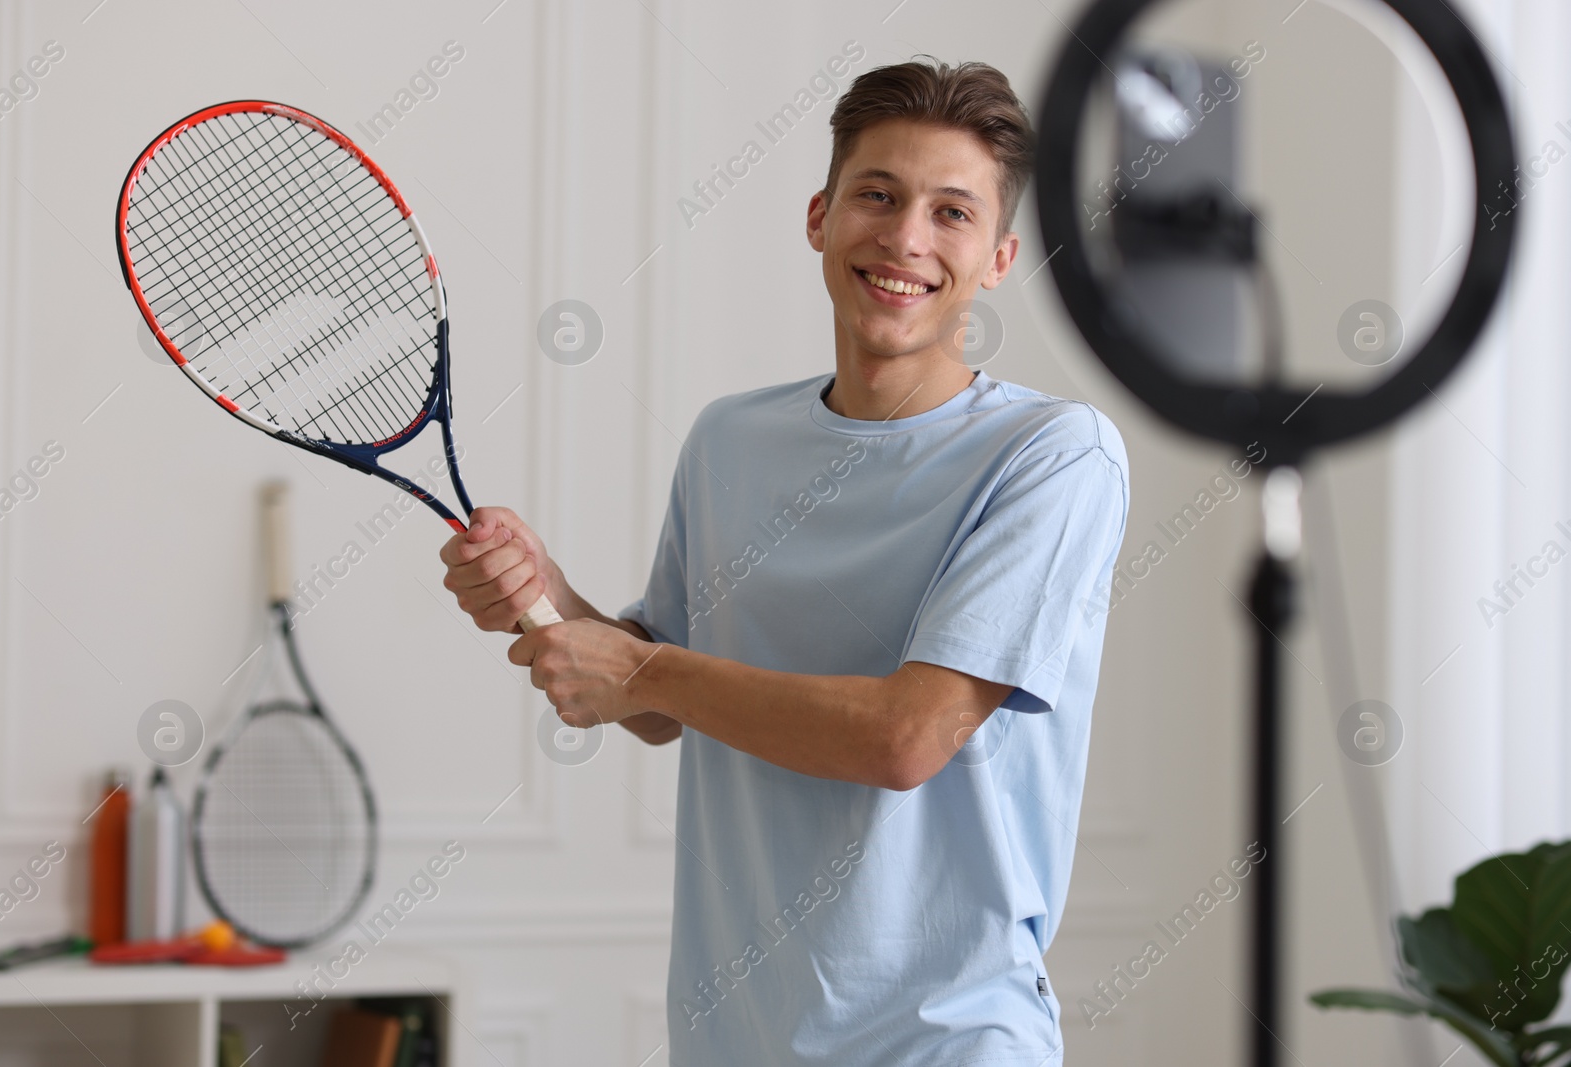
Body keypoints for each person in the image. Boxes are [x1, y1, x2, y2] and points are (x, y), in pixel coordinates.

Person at [440, 57, 1129, 1067]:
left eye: (950, 212)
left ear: (997, 258)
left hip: (951, 1043)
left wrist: (636, 668)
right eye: (878, 196)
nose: (904, 238)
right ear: (819, 215)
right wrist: (546, 592)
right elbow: (661, 699)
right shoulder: (729, 441)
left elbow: (906, 737)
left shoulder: (1054, 456)